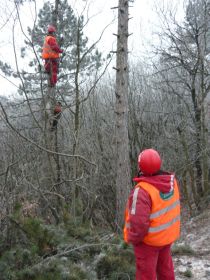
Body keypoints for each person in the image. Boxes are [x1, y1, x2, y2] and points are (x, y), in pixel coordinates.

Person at [124, 148, 180, 280]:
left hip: (148, 243)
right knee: (165, 270)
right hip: (166, 238)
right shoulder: (171, 183)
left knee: (146, 275)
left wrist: (133, 239)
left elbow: (138, 225)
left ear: (140, 167)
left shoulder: (142, 191)